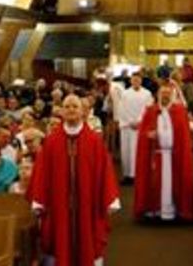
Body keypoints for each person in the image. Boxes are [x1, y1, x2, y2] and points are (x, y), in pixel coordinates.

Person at [28, 94, 119, 266]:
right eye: (67, 106)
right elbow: (42, 172)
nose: (71, 110)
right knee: (59, 241)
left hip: (88, 205)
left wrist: (109, 199)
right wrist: (39, 200)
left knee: (88, 241)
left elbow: (104, 171)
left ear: (83, 112)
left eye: (75, 106)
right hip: (58, 206)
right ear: (61, 111)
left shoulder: (94, 141)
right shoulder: (51, 141)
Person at [134, 85, 193, 221]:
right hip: (156, 154)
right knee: (155, 183)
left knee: (175, 182)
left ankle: (175, 210)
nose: (165, 96)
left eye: (168, 93)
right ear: (158, 95)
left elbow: (184, 135)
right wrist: (149, 135)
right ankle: (155, 210)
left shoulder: (180, 111)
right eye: (162, 93)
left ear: (172, 95)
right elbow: (143, 133)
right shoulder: (151, 111)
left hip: (175, 155)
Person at [118, 72, 153, 184]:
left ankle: (140, 176)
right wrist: (130, 122)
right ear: (131, 80)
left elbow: (148, 110)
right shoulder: (125, 94)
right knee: (127, 151)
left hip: (141, 127)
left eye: (138, 79)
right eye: (134, 79)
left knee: (139, 152)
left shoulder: (147, 94)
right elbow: (121, 109)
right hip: (127, 127)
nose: (136, 81)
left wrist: (139, 122)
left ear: (141, 80)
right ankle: (128, 175)